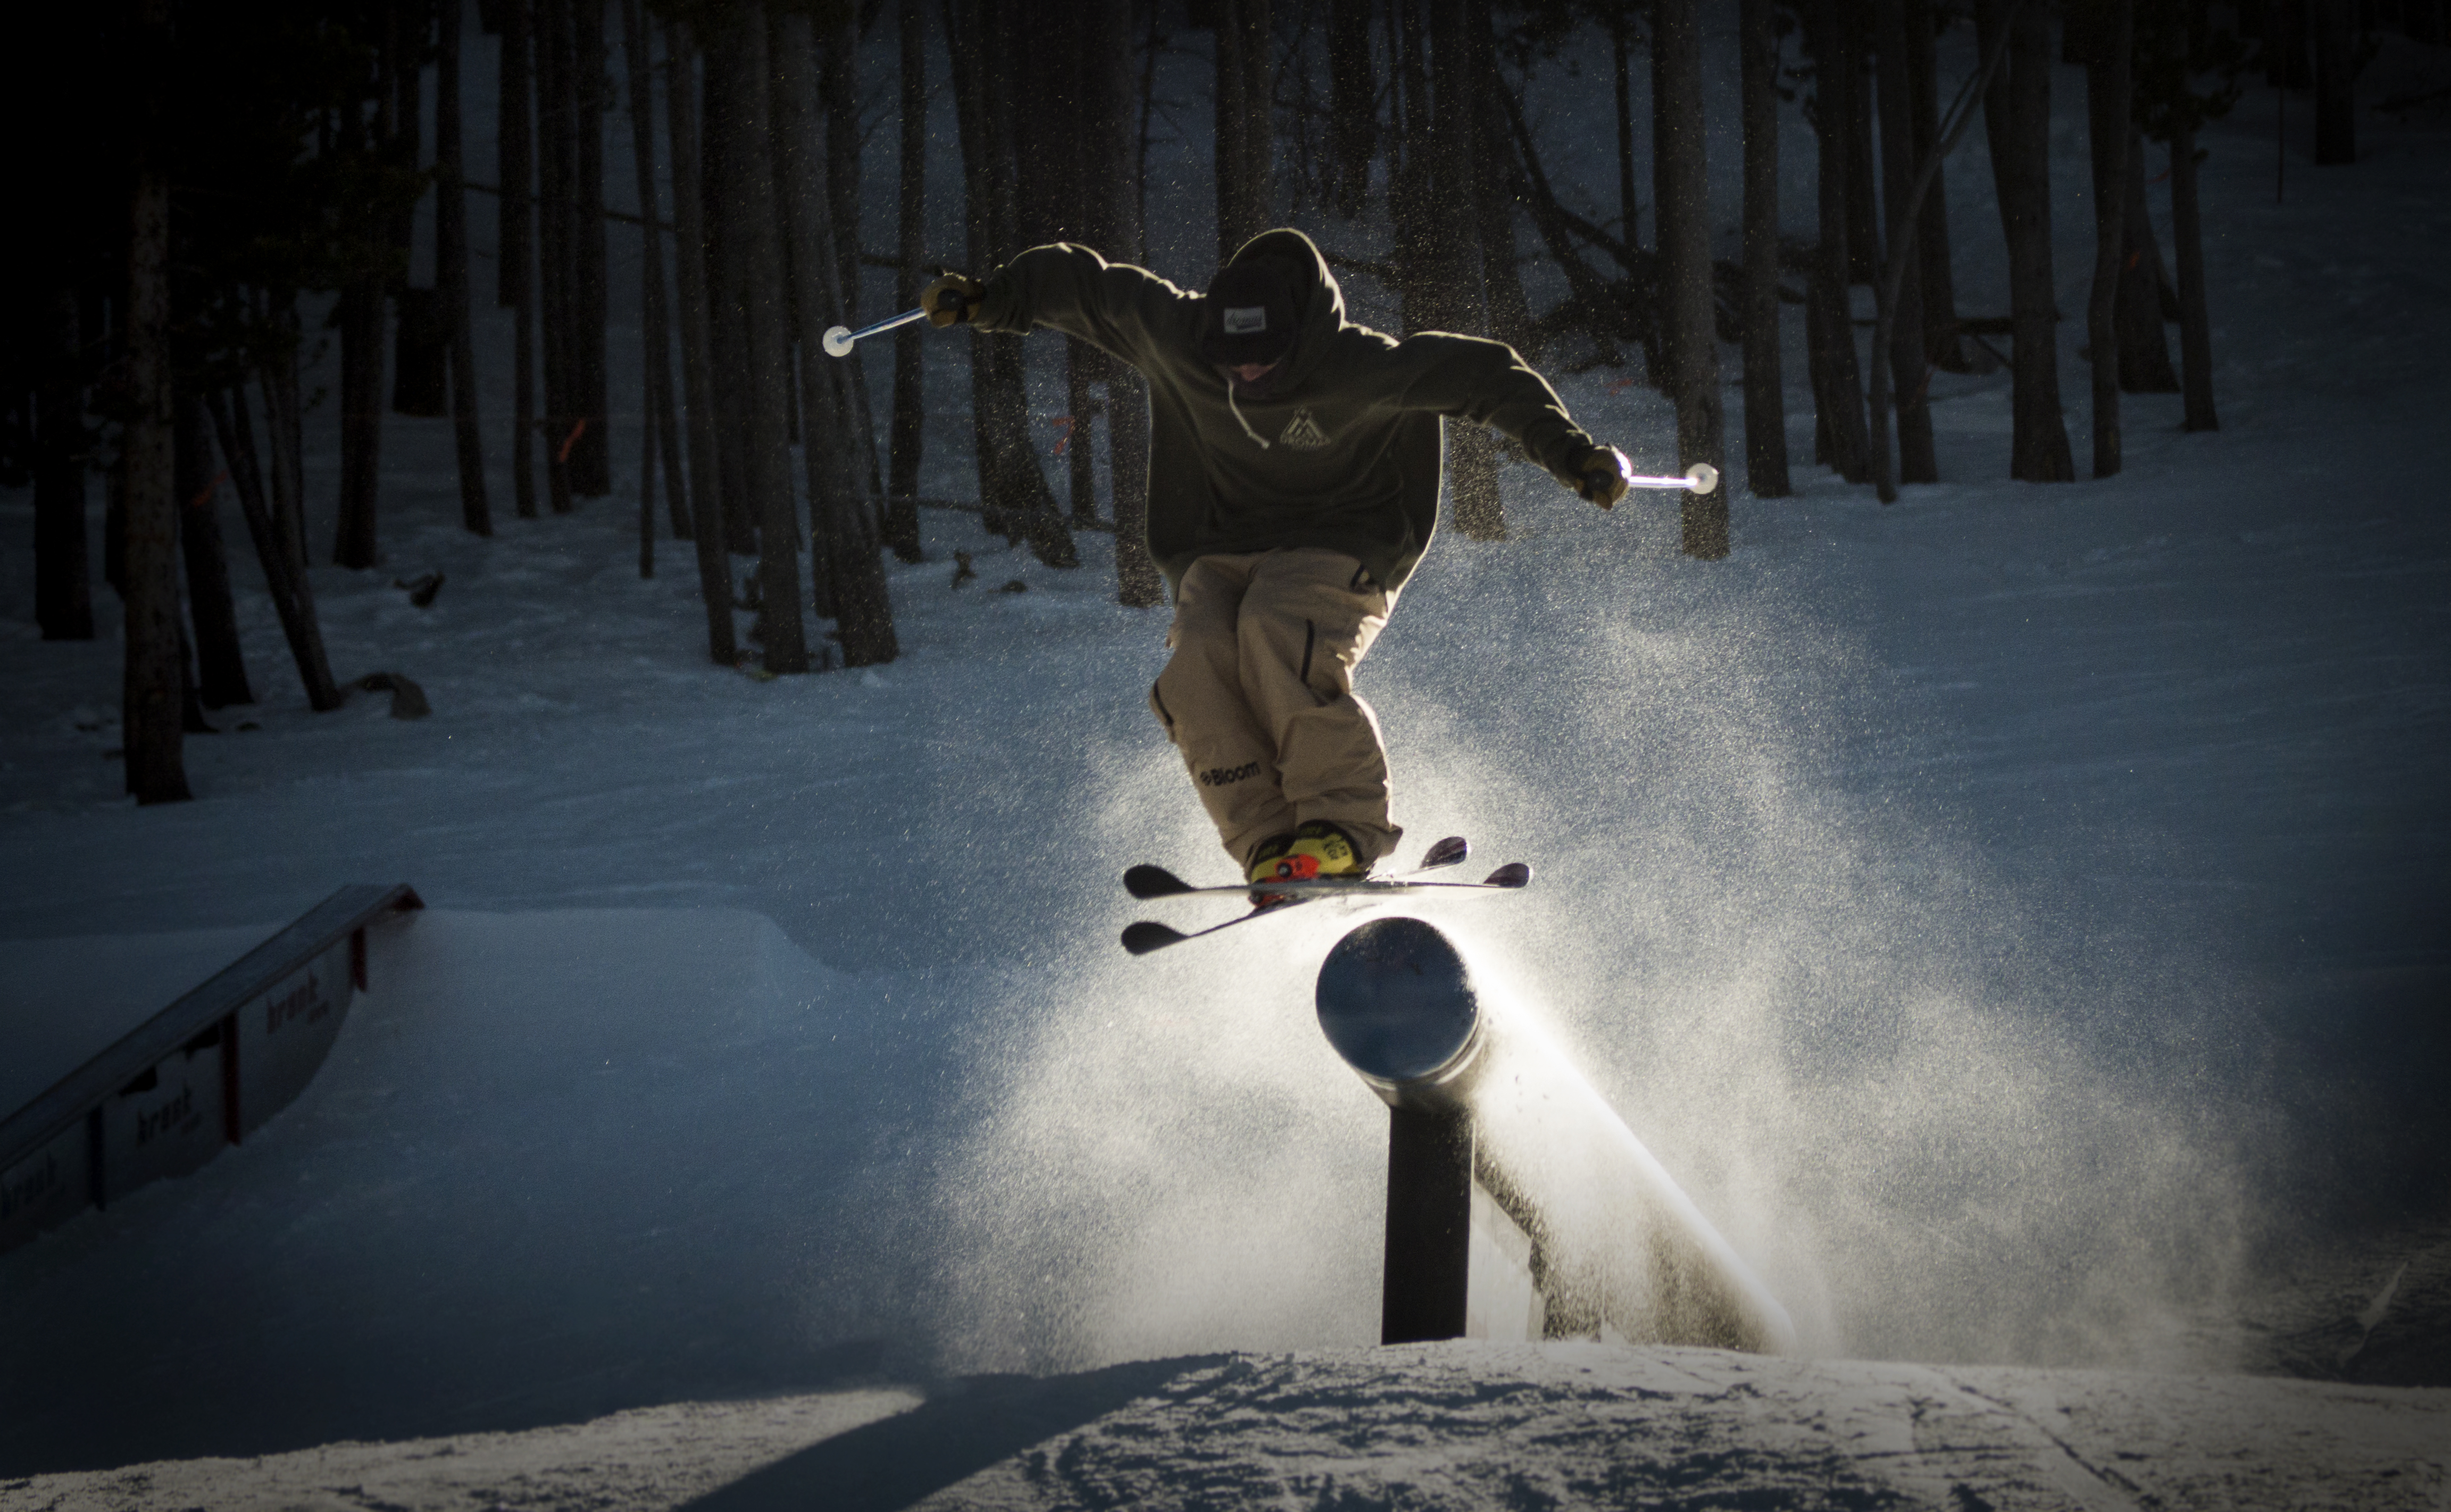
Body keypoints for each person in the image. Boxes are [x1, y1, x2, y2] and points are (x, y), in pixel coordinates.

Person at [922, 228, 1639, 891]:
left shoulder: (1361, 366)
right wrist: (994, 298)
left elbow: (1488, 376)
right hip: (1220, 545)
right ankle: (1269, 839)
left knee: (1275, 629)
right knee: (1196, 666)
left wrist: (1572, 455)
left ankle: (1344, 827)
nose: (1247, 373)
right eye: (1233, 360)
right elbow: (1091, 288)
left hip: (1344, 542)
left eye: (1265, 359)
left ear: (1301, 340)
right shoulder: (1181, 336)